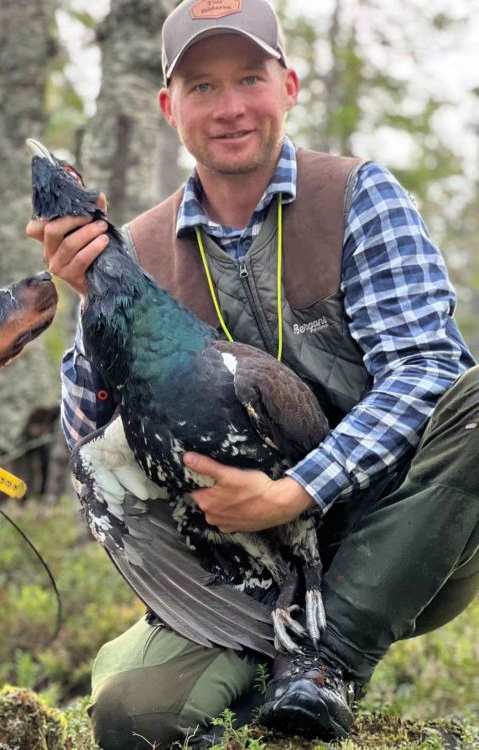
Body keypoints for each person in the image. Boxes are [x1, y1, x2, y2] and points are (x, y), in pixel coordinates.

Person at [27, 0, 479, 746]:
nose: (230, 106)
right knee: (129, 717)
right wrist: (99, 297)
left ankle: (329, 661)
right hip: (243, 568)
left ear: (289, 86)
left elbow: (425, 370)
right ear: (171, 108)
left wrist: (293, 493)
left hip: (396, 535)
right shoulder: (135, 249)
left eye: (249, 78)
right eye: (203, 88)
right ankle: (268, 683)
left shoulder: (358, 197)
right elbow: (91, 445)